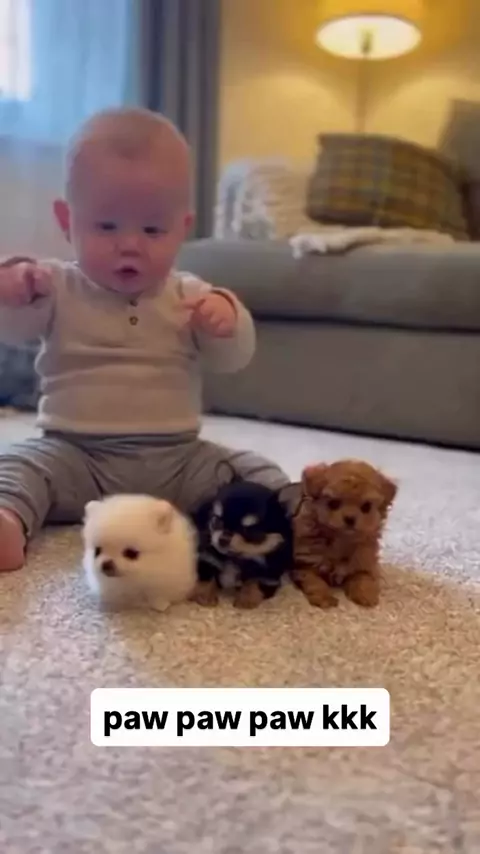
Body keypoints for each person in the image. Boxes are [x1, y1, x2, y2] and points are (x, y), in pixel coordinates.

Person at [0, 107, 290, 572]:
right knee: (18, 467)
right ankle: (8, 522)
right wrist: (13, 289)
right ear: (66, 221)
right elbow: (12, 330)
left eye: (153, 230)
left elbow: (232, 358)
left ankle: (297, 520)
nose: (130, 244)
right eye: (106, 226)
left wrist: (226, 321)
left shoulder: (191, 294)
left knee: (253, 472)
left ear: (182, 229)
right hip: (75, 456)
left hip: (178, 462)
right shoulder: (53, 285)